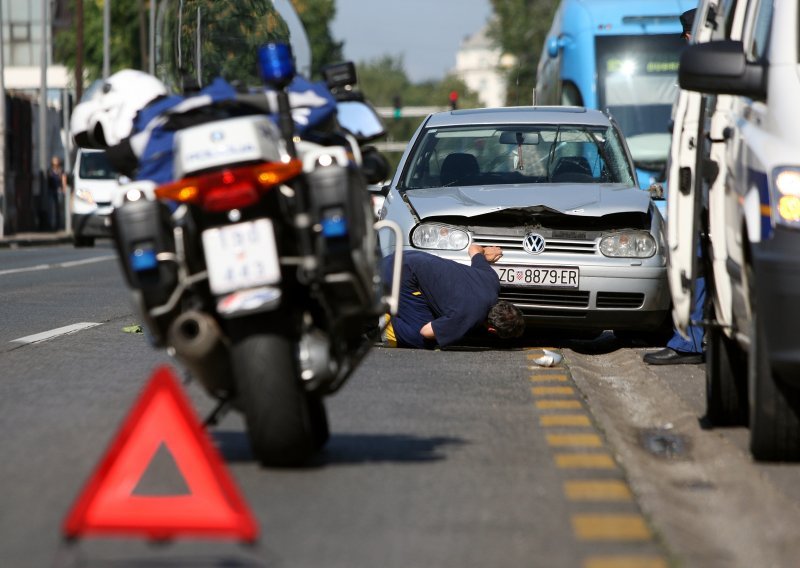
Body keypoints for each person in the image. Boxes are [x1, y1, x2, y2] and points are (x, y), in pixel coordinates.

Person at [644, 7, 705, 366]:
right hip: (702, 184)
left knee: (693, 261)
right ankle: (691, 337)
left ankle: (690, 341)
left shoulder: (701, 75)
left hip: (702, 188)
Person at [381, 245, 526, 349]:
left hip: (405, 257)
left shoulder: (492, 281)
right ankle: (376, 321)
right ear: (492, 330)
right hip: (398, 274)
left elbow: (474, 248)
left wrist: (486, 251)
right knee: (424, 340)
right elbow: (426, 331)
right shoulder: (470, 317)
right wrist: (451, 331)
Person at [45, 156, 67, 230]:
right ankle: (51, 225)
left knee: (59, 208)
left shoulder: (61, 170)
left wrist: (64, 189)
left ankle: (59, 224)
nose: (55, 165)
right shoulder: (50, 171)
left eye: (57, 163)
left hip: (59, 190)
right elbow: (47, 181)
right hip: (51, 190)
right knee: (52, 207)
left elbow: (63, 180)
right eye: (54, 163)